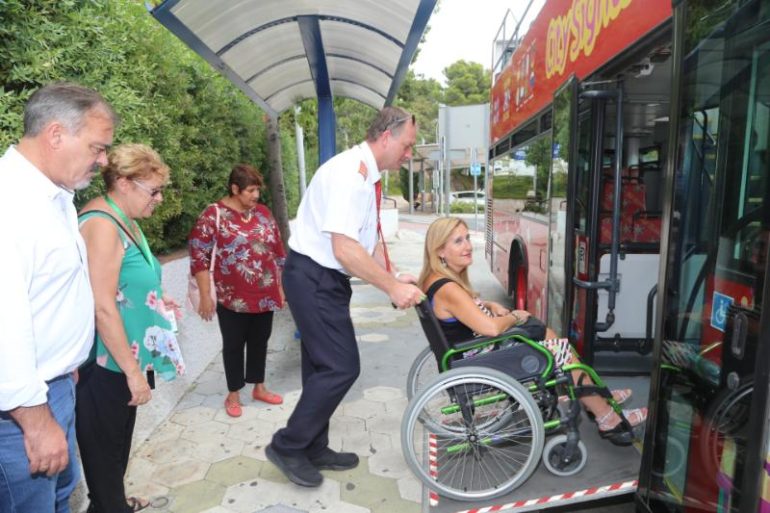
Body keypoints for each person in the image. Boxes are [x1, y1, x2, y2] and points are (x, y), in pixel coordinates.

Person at [267, 106, 425, 487]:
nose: (408, 154)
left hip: (323, 280)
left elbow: (364, 244)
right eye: (407, 145)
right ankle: (288, 445)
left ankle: (313, 446)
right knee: (341, 367)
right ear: (386, 136)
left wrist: (393, 277)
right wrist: (391, 287)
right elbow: (344, 249)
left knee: (320, 368)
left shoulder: (367, 176)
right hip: (313, 277)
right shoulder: (348, 175)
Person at [419, 217, 647, 444]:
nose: (468, 246)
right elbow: (490, 328)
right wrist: (513, 316)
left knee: (549, 338)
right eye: (458, 241)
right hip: (474, 361)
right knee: (551, 344)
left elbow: (462, 310)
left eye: (467, 238)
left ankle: (593, 395)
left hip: (464, 356)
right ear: (439, 251)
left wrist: (490, 305)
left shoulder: (436, 280)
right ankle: (604, 413)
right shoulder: (448, 288)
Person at [0, 82, 116, 513]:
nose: (102, 160)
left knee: (60, 498)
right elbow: (4, 325)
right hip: (20, 414)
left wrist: (66, 369)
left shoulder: (55, 196)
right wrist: (35, 421)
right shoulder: (10, 205)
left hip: (54, 388)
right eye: (97, 147)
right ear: (55, 135)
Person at [75, 143, 185, 513]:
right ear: (123, 182)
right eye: (153, 190)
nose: (159, 198)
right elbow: (102, 307)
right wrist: (134, 374)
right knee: (105, 463)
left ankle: (113, 502)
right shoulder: (102, 226)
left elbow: (127, 285)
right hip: (110, 365)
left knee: (116, 452)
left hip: (128, 360)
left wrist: (157, 300)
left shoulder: (126, 221)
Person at [189, 164, 286, 417]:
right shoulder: (213, 215)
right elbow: (199, 255)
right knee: (233, 344)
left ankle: (259, 387)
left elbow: (277, 250)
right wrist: (205, 295)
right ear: (235, 188)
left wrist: (281, 285)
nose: (255, 196)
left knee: (260, 341)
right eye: (250, 190)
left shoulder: (263, 212)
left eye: (257, 190)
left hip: (264, 294)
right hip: (231, 297)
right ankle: (233, 394)